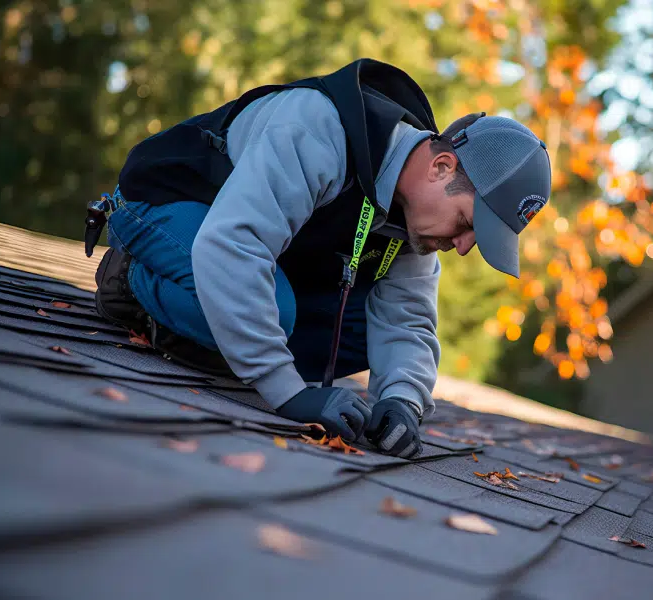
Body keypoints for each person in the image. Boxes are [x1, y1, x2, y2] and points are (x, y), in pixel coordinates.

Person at [88, 59, 551, 458]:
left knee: (356, 333)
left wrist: (402, 402)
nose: (465, 246)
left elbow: (407, 319)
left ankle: (211, 336)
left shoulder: (415, 220)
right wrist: (287, 394)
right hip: (159, 205)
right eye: (468, 222)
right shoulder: (320, 128)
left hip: (241, 250)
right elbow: (232, 246)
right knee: (274, 308)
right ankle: (130, 280)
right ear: (441, 167)